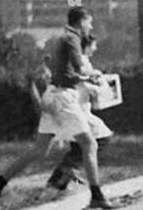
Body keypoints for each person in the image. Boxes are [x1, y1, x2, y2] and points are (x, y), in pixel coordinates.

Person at [0, 7, 114, 210]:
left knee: (40, 149)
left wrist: (84, 76)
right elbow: (79, 68)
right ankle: (96, 195)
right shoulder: (73, 38)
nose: (91, 26)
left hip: (54, 94)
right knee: (89, 144)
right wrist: (92, 75)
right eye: (90, 22)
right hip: (64, 98)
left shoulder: (63, 37)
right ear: (81, 22)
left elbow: (65, 72)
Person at [48, 34, 114, 191]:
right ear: (87, 45)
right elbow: (82, 84)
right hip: (77, 109)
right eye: (93, 45)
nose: (95, 49)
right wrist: (101, 87)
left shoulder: (81, 61)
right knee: (102, 137)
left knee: (79, 144)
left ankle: (57, 182)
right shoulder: (81, 62)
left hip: (75, 107)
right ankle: (68, 169)